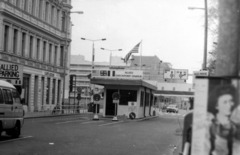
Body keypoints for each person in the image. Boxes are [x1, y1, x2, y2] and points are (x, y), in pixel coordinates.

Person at [207, 84, 240, 155]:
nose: (229, 105)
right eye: (225, 102)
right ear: (216, 105)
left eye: (231, 101)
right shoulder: (208, 126)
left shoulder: (236, 127)